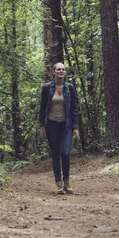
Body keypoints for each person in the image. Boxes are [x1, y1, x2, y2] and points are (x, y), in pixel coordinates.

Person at [39, 62, 80, 194]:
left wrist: (75, 127)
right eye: (58, 69)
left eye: (63, 69)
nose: (61, 71)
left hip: (66, 125)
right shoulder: (46, 88)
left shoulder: (70, 88)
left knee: (66, 153)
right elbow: (42, 108)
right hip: (51, 124)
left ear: (65, 72)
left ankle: (67, 182)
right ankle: (58, 184)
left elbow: (74, 108)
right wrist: (42, 126)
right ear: (54, 72)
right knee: (56, 154)